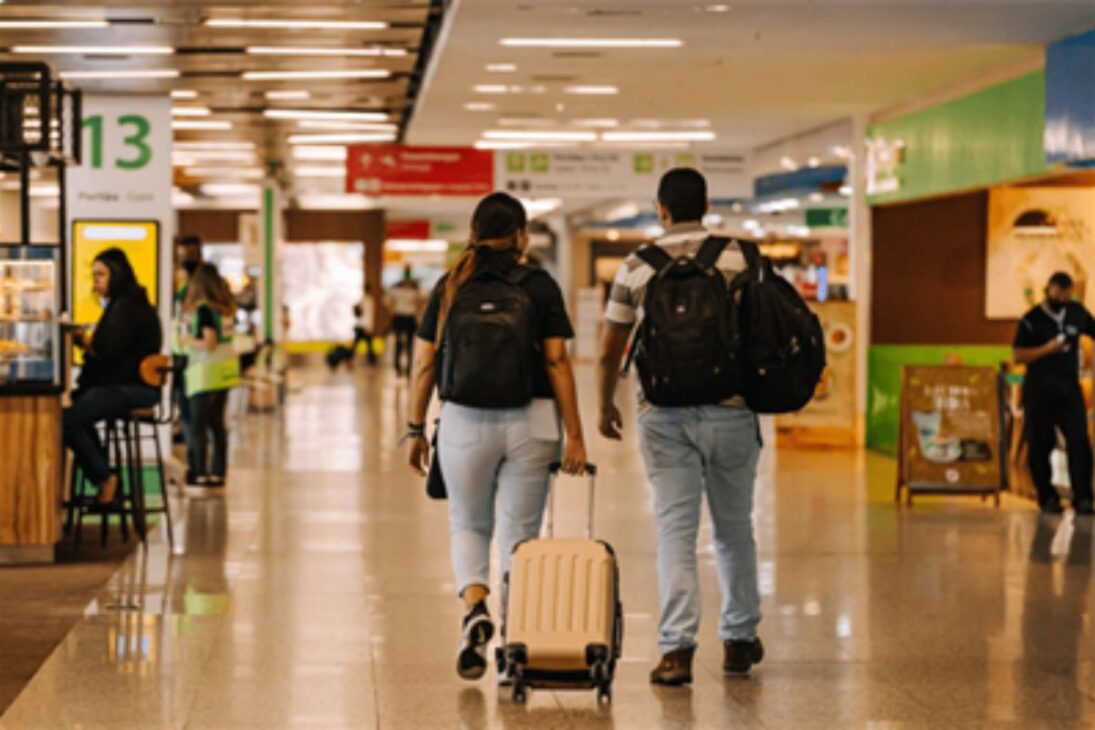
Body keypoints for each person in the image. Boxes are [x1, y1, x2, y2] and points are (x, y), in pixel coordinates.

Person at [405, 192, 587, 681]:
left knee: (468, 525)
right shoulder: (541, 286)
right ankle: (515, 648)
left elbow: (424, 365)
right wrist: (575, 435)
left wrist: (416, 428)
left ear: (473, 233)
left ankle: (475, 610)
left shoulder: (448, 286)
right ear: (521, 236)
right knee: (520, 537)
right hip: (533, 420)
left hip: (463, 419)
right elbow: (556, 361)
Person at [596, 168, 765, 685]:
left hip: (663, 413)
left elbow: (610, 348)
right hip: (733, 408)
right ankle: (738, 640)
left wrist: (604, 404)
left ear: (661, 208)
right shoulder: (742, 257)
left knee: (676, 530)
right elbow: (766, 330)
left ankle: (676, 651)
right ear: (706, 204)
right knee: (735, 528)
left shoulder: (635, 265)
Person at [63, 248, 162, 505]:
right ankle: (106, 476)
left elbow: (108, 353)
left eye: (101, 275)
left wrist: (85, 343)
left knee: (70, 418)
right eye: (94, 275)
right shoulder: (130, 303)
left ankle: (105, 478)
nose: (96, 282)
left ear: (116, 275)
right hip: (134, 386)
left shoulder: (125, 307)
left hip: (132, 387)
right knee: (76, 413)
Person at [1013, 271, 1095, 515]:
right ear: (1048, 289)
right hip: (1039, 390)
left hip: (1069, 389)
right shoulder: (1031, 319)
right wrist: (1047, 349)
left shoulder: (1077, 313)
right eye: (1057, 290)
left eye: (1066, 291)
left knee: (1079, 439)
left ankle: (1083, 497)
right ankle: (1047, 497)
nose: (1062, 295)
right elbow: (1018, 355)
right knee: (1040, 444)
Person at [181, 262, 240, 488]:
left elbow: (210, 342)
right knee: (217, 424)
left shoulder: (203, 309)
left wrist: (187, 341)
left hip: (204, 373)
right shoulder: (224, 308)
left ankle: (199, 471)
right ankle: (218, 471)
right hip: (224, 372)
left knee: (197, 425)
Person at [389, 266, 420, 377]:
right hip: (400, 317)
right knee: (399, 343)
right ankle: (398, 366)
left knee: (409, 344)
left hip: (408, 318)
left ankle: (408, 367)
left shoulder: (414, 290)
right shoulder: (398, 290)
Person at [351, 284, 377, 366]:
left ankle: (371, 361)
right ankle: (349, 359)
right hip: (362, 326)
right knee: (363, 345)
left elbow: (369, 315)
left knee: (366, 345)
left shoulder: (367, 300)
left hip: (364, 326)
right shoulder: (365, 300)